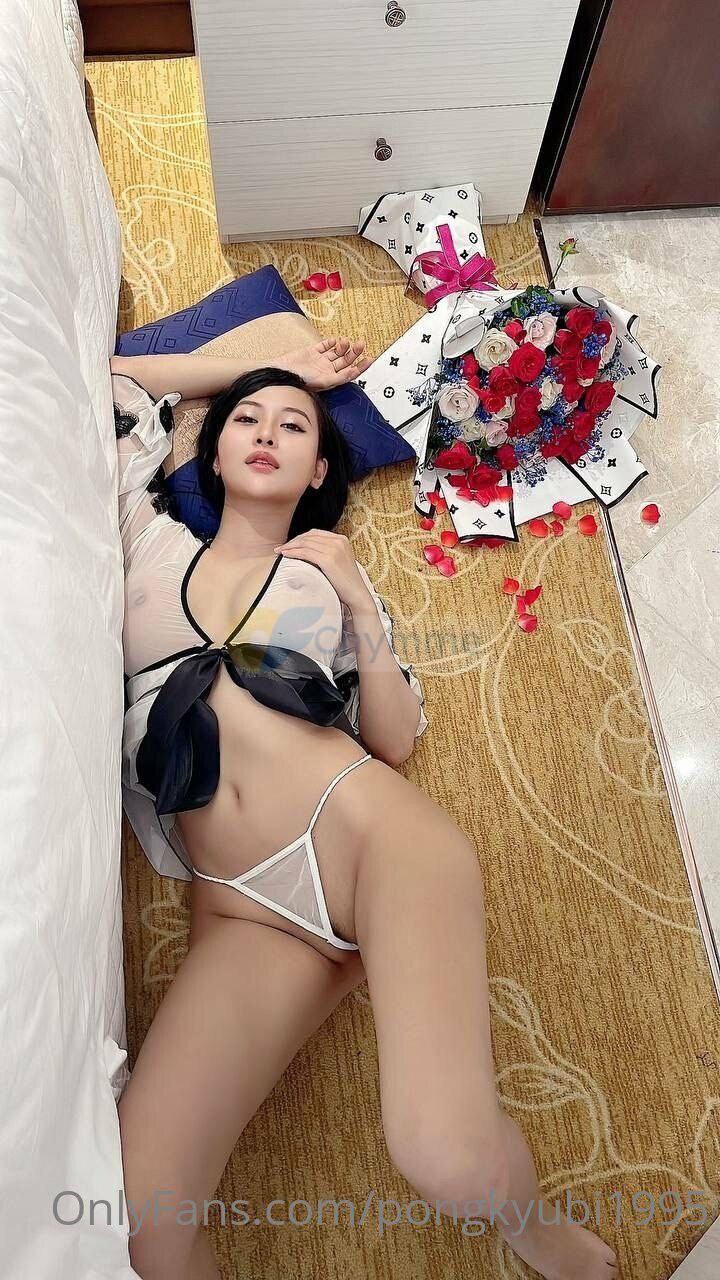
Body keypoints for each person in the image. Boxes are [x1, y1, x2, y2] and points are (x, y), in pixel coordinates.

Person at [111, 338, 618, 1280]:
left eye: (293, 426)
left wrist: (361, 604)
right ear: (212, 454)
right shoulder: (147, 539)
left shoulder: (321, 574)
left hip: (369, 835)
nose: (267, 433)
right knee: (141, 1225)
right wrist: (266, 366)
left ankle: (536, 1230)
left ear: (317, 472)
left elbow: (393, 739)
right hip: (241, 909)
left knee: (447, 1161)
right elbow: (111, 387)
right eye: (246, 421)